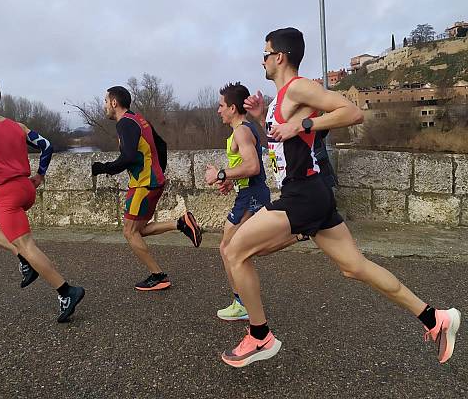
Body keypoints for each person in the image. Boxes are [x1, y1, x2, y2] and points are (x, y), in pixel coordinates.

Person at [220, 27, 461, 368]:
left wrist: (303, 126)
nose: (262, 60)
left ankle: (260, 337)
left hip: (302, 195)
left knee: (234, 251)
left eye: (265, 54)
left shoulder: (299, 87)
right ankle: (435, 318)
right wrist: (262, 117)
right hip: (311, 193)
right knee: (355, 267)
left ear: (280, 56)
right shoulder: (280, 99)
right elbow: (281, 144)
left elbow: (351, 112)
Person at [0, 80, 85, 323]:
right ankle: (22, 258)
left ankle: (66, 291)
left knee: (28, 245)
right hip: (26, 188)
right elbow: (47, 146)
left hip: (7, 195)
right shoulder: (17, 126)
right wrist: (40, 173)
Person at [91, 86, 202, 291]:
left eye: (106, 101)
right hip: (152, 181)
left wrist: (103, 168)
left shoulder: (125, 123)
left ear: (114, 103)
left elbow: (128, 157)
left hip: (143, 184)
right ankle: (181, 223)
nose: (105, 105)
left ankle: (158, 275)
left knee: (129, 232)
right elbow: (162, 145)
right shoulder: (138, 119)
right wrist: (159, 172)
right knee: (139, 229)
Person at [205, 82, 271, 321]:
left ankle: (243, 304)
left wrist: (220, 175)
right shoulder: (240, 131)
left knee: (230, 249)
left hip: (252, 197)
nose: (218, 110)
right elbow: (246, 168)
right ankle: (242, 302)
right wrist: (231, 181)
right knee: (233, 249)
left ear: (232, 108)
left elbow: (253, 167)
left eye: (221, 106)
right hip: (248, 193)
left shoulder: (242, 131)